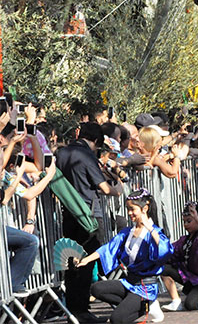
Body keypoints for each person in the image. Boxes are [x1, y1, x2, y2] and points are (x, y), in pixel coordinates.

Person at [76, 189, 173, 324]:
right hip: (129, 282)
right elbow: (108, 248)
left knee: (116, 319)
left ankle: (147, 305)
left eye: (132, 209)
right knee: (97, 289)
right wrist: (86, 259)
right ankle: (140, 305)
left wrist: (150, 228)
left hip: (145, 287)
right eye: (128, 209)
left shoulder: (154, 232)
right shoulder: (128, 232)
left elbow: (165, 251)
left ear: (144, 208)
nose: (129, 213)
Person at [56, 122, 121, 323]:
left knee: (70, 262)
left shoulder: (61, 153)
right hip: (89, 215)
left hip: (68, 214)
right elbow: (104, 187)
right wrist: (117, 187)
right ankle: (81, 310)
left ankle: (73, 309)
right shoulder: (86, 156)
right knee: (86, 262)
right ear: (95, 141)